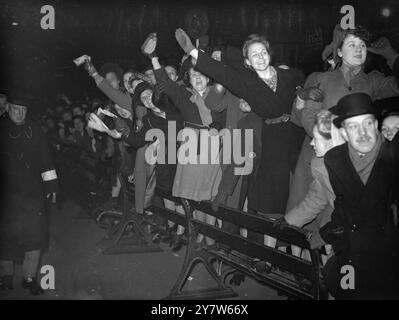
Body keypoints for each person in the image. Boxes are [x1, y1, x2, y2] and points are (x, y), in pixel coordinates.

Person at [174, 29, 306, 249]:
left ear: (269, 54)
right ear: (247, 61)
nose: (260, 57)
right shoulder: (244, 81)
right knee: (264, 200)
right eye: (255, 55)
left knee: (297, 195)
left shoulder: (286, 75)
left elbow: (302, 81)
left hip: (291, 137)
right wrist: (194, 52)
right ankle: (258, 252)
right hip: (261, 140)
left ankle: (294, 257)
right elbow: (220, 85)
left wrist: (303, 92)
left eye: (263, 52)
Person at [287, 27, 399, 213]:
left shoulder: (372, 81)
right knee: (309, 212)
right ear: (339, 51)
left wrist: (390, 54)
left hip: (357, 159)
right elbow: (303, 119)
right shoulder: (321, 78)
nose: (358, 49)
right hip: (318, 154)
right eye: (352, 44)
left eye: (362, 45)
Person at [320, 92, 399, 299]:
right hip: (350, 256)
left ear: (376, 125)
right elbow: (342, 204)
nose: (363, 133)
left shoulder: (393, 156)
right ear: (344, 133)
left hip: (388, 260)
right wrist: (333, 240)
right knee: (346, 292)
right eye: (354, 126)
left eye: (368, 123)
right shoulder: (334, 159)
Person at [0, 92, 58, 294]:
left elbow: (46, 160)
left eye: (23, 110)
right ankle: (6, 277)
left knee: (35, 235)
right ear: (7, 108)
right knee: (5, 236)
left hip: (33, 193)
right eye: (15, 109)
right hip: (6, 195)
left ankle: (29, 278)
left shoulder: (35, 130)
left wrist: (52, 187)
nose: (19, 113)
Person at [284, 110, 345, 264]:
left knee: (348, 278)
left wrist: (327, 232)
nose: (311, 143)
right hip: (339, 227)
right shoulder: (320, 164)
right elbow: (317, 197)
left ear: (333, 141)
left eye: (315, 139)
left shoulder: (359, 167)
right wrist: (289, 221)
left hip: (364, 234)